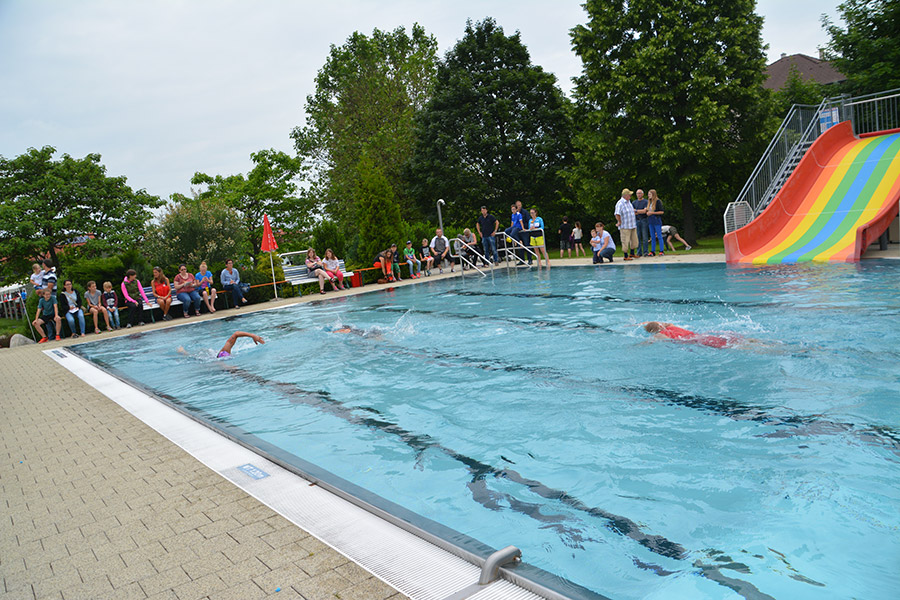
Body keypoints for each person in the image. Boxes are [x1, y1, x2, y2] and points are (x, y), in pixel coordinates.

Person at [642, 322, 727, 349]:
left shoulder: (660, 335)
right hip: (698, 336)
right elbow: (665, 323)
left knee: (723, 346)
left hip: (693, 341)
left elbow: (649, 342)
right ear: (661, 326)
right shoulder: (671, 326)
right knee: (724, 341)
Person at [614, 188, 637, 261]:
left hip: (632, 224)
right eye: (629, 195)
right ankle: (625, 255)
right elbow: (617, 214)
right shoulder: (620, 203)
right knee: (625, 240)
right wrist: (619, 221)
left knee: (634, 240)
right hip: (625, 226)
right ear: (625, 195)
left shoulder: (629, 202)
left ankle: (632, 253)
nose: (630, 196)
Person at [647, 189, 665, 256]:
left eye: (650, 194)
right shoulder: (649, 202)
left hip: (656, 220)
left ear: (653, 194)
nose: (648, 195)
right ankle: (653, 250)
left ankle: (661, 250)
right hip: (650, 220)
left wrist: (652, 213)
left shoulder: (658, 201)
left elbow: (661, 212)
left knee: (659, 236)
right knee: (652, 236)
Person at [632, 189, 649, 257]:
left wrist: (636, 211)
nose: (639, 195)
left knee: (645, 237)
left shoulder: (646, 202)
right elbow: (632, 212)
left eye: (640, 193)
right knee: (637, 237)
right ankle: (639, 252)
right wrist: (640, 211)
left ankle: (645, 252)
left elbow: (645, 211)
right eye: (637, 193)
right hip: (636, 220)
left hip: (644, 220)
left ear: (642, 194)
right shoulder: (634, 202)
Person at [516, 200, 532, 264]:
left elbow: (528, 220)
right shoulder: (515, 213)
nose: (519, 206)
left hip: (524, 231)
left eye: (520, 205)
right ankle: (522, 260)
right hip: (518, 231)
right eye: (518, 205)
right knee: (519, 246)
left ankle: (530, 259)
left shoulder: (525, 212)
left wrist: (527, 228)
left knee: (527, 245)